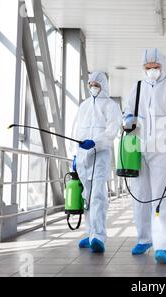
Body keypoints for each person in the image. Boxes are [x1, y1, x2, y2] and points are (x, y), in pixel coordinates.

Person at [124, 48, 166, 264]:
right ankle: (144, 238)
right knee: (141, 195)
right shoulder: (138, 87)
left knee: (162, 197)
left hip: (165, 147)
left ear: (163, 65)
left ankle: (162, 245)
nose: (152, 71)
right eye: (148, 67)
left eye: (156, 67)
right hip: (139, 147)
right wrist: (127, 119)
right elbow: (126, 112)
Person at [72, 71, 122, 253]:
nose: (93, 87)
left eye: (96, 84)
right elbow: (75, 131)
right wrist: (75, 155)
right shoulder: (83, 106)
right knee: (86, 195)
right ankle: (89, 232)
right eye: (90, 84)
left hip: (100, 155)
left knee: (98, 196)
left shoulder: (111, 106)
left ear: (103, 86)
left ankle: (99, 236)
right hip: (83, 156)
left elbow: (112, 130)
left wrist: (96, 142)